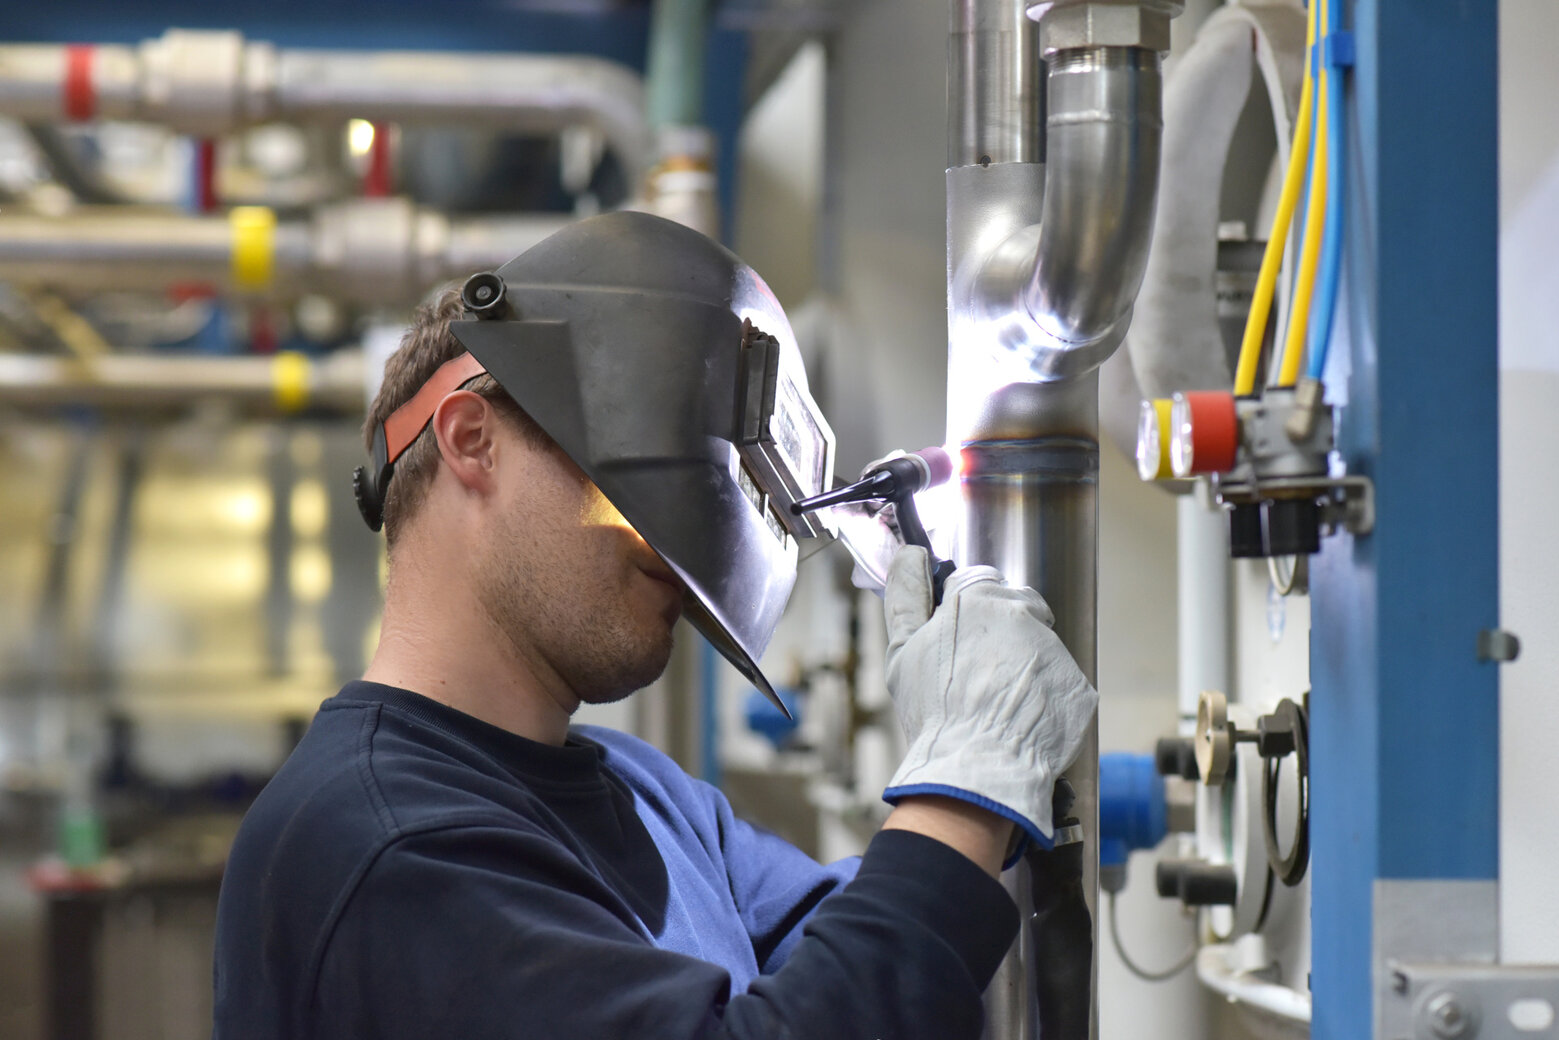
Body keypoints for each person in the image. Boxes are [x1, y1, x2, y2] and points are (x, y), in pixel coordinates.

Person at [213, 212, 1096, 1040]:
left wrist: (983, 746)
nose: (677, 552)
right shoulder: (385, 843)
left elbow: (859, 979)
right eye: (633, 491)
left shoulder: (650, 796)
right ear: (471, 438)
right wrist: (961, 782)